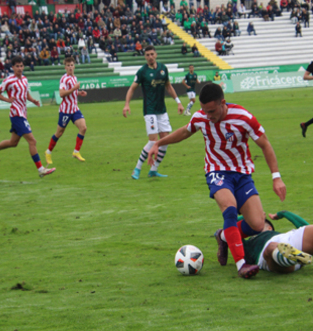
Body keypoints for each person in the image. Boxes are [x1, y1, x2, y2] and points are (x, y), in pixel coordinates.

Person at [147, 83, 286, 279]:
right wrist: (158, 143)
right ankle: (241, 265)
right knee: (229, 209)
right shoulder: (201, 117)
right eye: (204, 110)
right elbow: (185, 131)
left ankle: (223, 236)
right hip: (216, 172)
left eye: (212, 111)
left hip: (242, 174)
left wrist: (276, 177)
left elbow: (265, 145)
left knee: (256, 224)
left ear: (223, 102)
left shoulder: (243, 118)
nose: (208, 115)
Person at [0, 56, 55, 178]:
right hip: (16, 114)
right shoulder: (9, 80)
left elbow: (25, 93)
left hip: (22, 114)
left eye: (21, 66)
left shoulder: (25, 79)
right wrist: (8, 100)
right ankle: (41, 169)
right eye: (17, 66)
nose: (20, 68)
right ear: (13, 67)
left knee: (13, 142)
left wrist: (33, 100)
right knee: (32, 141)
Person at [122, 45, 184, 180]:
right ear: (145, 57)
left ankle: (153, 170)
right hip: (149, 110)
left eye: (152, 54)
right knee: (153, 141)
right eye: (147, 55)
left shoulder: (163, 69)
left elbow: (168, 86)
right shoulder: (142, 72)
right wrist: (127, 104)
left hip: (162, 110)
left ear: (155, 54)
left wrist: (178, 102)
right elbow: (132, 88)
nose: (150, 57)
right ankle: (137, 169)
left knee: (165, 140)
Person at [45, 57, 88, 165]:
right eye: (68, 65)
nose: (70, 67)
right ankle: (48, 152)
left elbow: (72, 92)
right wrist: (74, 89)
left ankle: (76, 152)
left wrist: (79, 92)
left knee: (83, 128)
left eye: (71, 65)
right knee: (59, 133)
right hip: (65, 111)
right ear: (65, 67)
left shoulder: (74, 77)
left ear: (74, 66)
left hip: (74, 109)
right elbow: (61, 94)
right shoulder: (64, 79)